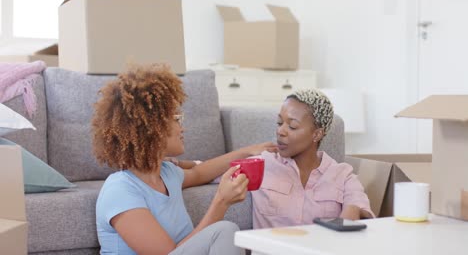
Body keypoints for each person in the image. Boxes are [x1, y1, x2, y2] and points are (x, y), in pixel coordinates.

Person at [92, 63, 277, 255]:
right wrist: (221, 202)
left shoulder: (167, 174)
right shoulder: (120, 191)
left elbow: (201, 171)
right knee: (225, 231)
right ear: (152, 129)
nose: (183, 128)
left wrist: (247, 151)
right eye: (176, 119)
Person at [251, 89, 374, 229]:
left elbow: (363, 213)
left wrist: (353, 209)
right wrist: (246, 151)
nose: (280, 131)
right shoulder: (263, 164)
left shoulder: (343, 175)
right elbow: (219, 173)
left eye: (292, 126)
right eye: (280, 123)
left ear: (316, 134)